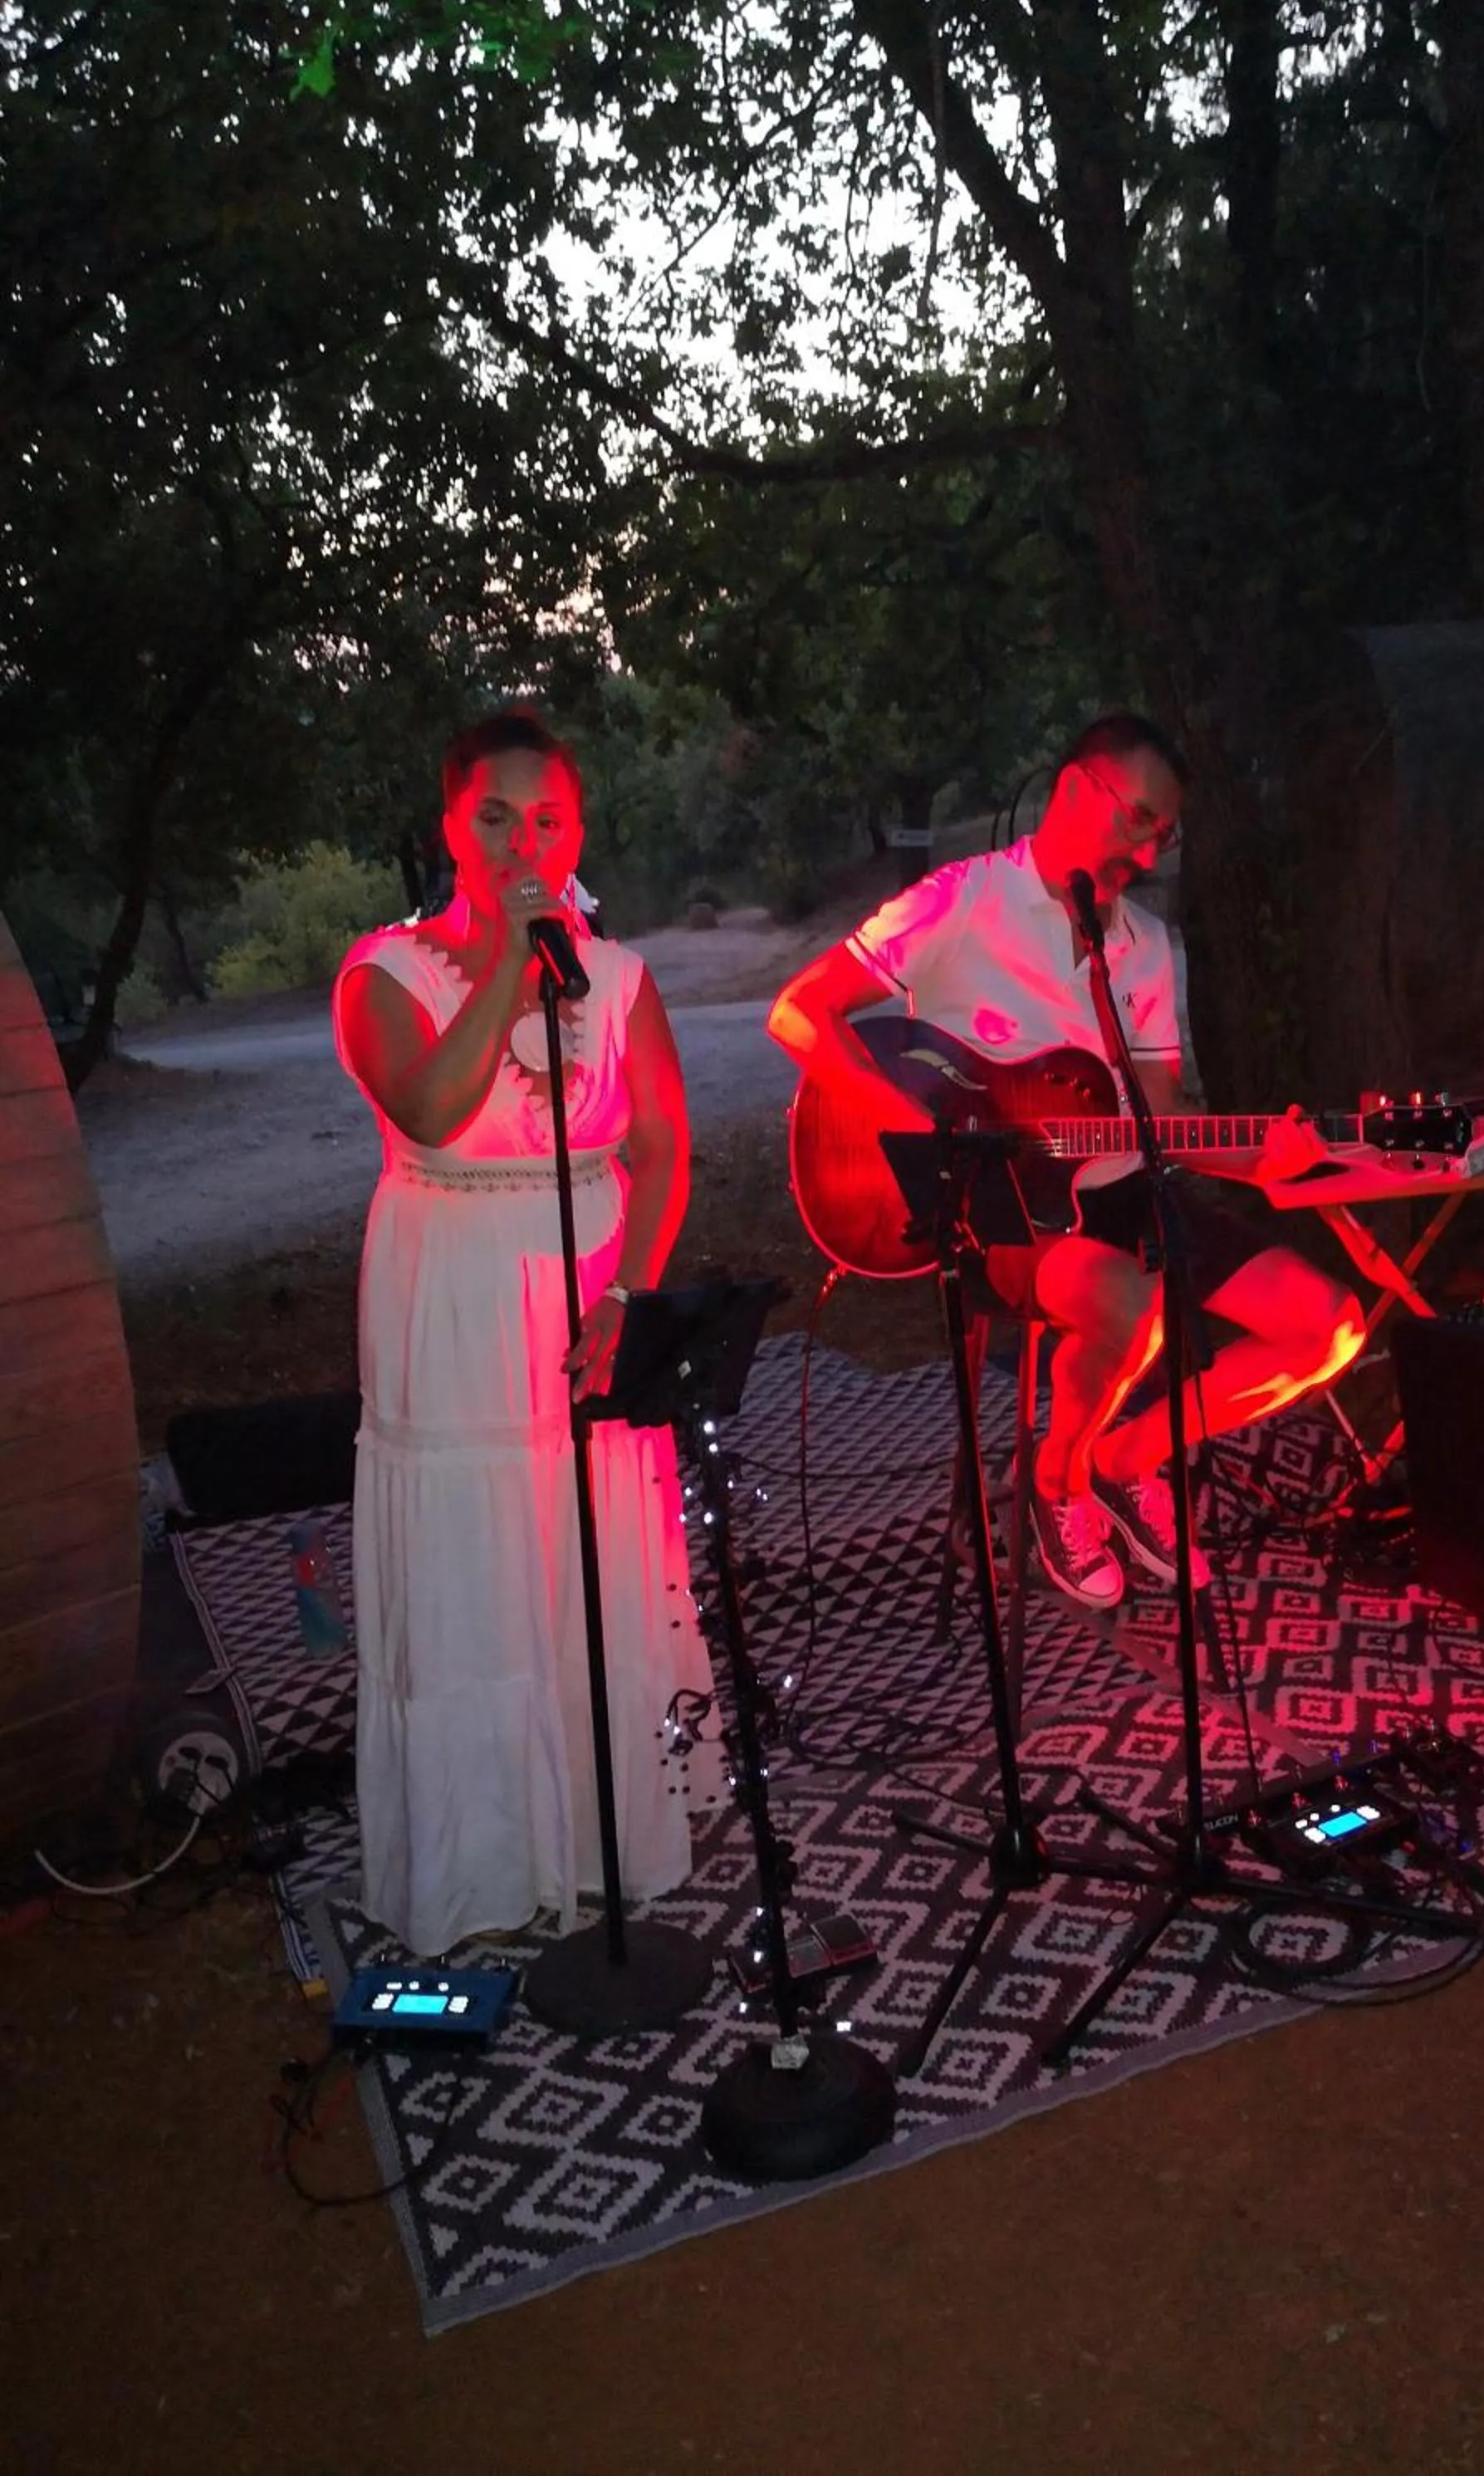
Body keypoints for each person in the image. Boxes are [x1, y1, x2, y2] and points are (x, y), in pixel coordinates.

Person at [767, 711, 1367, 1611]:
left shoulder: (1146, 945)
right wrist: (918, 1131)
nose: (1150, 851)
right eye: (1141, 819)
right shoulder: (961, 901)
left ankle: (1122, 1460)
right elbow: (798, 1012)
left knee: (1329, 1326)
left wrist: (1270, 1161)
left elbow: (1164, 1116)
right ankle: (1054, 1484)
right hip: (1000, 1214)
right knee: (1135, 1306)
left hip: (1121, 1189)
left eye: (1165, 834)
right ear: (1078, 790)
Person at [333, 707, 708, 1957]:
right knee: (475, 1563)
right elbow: (436, 1112)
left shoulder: (622, 977)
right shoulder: (381, 975)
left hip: (591, 1289)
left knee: (590, 1556)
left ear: (577, 831)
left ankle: (603, 1837)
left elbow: (663, 1145)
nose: (521, 842)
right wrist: (507, 959)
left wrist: (628, 1298)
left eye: (547, 820)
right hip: (452, 1290)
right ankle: (484, 1858)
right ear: (449, 826)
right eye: (494, 817)